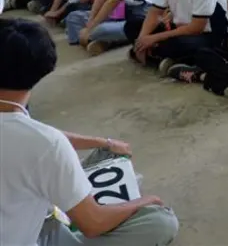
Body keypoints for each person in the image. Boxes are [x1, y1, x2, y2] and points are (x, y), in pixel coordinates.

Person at [0, 18, 179, 246]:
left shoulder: (41, 141)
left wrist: (103, 142)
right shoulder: (45, 145)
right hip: (32, 234)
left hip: (26, 210)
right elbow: (93, 224)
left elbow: (31, 137)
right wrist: (142, 203)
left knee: (110, 156)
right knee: (161, 220)